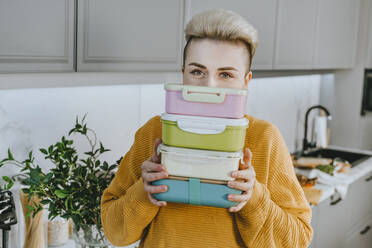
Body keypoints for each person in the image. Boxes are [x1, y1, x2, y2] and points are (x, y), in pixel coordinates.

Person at [100, 9, 313, 248]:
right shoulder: (155, 132)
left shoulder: (265, 138)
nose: (210, 87)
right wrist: (144, 191)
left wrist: (253, 198)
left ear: (246, 81)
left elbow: (298, 239)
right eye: (198, 72)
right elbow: (113, 231)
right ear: (183, 75)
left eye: (225, 74)